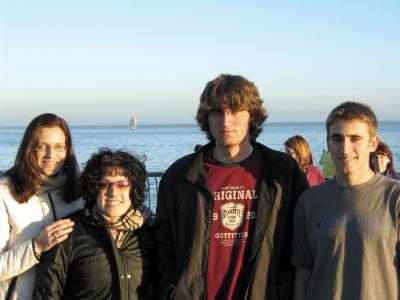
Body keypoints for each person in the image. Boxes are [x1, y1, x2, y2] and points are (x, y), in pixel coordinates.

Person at [155, 74, 309, 299]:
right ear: (206, 118)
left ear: (252, 115)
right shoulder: (180, 176)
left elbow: (303, 243)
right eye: (217, 111)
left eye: (235, 110)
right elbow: (162, 246)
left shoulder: (283, 173)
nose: (225, 121)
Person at [292, 101, 400, 299]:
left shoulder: (395, 197)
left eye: (355, 138)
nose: (345, 147)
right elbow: (302, 278)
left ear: (373, 143)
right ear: (328, 143)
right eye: (337, 138)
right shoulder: (309, 201)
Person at [33, 148, 154, 299]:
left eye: (122, 184)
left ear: (133, 189)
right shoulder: (67, 233)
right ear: (94, 188)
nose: (113, 192)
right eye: (104, 184)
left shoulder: (150, 231)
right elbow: (47, 294)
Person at [0, 113, 83, 300]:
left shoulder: (81, 191)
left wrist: (139, 213)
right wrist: (35, 247)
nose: (51, 155)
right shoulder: (5, 192)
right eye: (41, 146)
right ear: (29, 149)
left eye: (59, 147)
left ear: (68, 150)